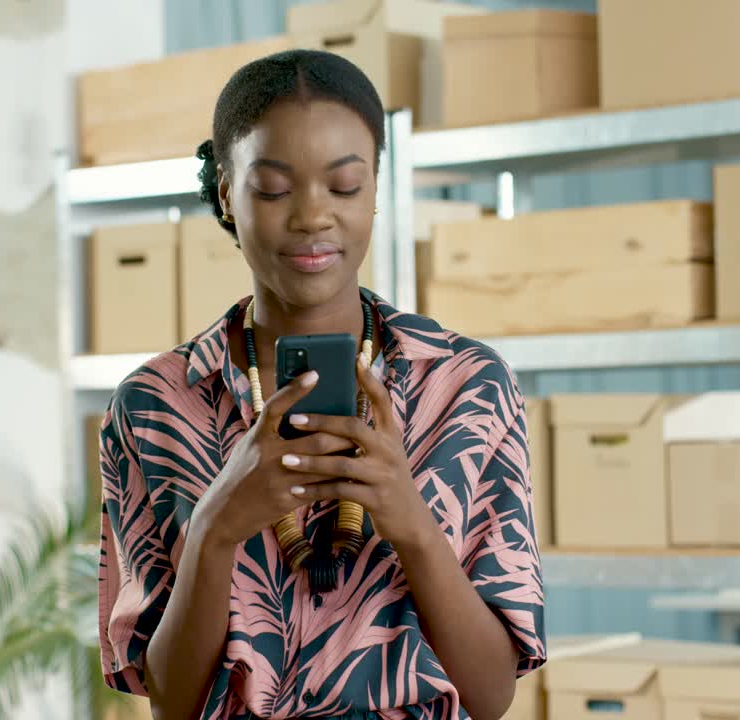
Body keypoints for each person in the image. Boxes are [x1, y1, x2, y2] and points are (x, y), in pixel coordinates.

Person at [97, 49, 545, 720]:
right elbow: (171, 704)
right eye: (274, 189)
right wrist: (217, 527)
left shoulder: (467, 387)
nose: (312, 217)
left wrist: (410, 521)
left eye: (343, 186)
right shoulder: (156, 405)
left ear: (375, 190)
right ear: (226, 192)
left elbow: (491, 695)